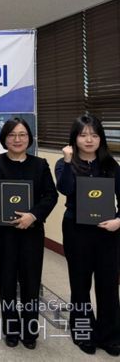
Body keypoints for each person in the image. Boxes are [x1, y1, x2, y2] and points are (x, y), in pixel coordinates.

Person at [0, 117, 57, 350]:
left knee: (30, 281)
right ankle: (11, 329)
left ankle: (30, 330)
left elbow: (51, 195)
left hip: (31, 231)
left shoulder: (40, 164)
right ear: (4, 138)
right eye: (12, 135)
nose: (17, 139)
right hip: (3, 232)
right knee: (6, 281)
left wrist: (33, 215)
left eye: (22, 134)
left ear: (29, 138)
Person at [55, 114, 120, 356]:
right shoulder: (64, 164)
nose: (89, 140)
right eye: (83, 135)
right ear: (75, 139)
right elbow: (65, 189)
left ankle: (110, 335)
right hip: (76, 230)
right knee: (80, 284)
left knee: (108, 284)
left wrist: (118, 221)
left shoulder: (111, 165)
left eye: (94, 135)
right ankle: (84, 333)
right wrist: (68, 160)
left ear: (101, 138)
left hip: (108, 231)